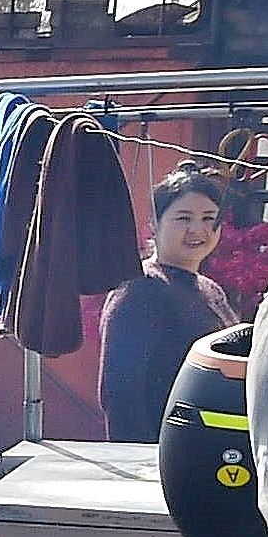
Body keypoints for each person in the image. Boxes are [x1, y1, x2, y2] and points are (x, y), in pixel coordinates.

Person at [98, 166, 237, 443]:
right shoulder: (141, 285)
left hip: (209, 446)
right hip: (160, 450)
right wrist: (136, 456)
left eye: (208, 218)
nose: (197, 230)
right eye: (183, 218)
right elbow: (120, 389)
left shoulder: (211, 290)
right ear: (155, 223)